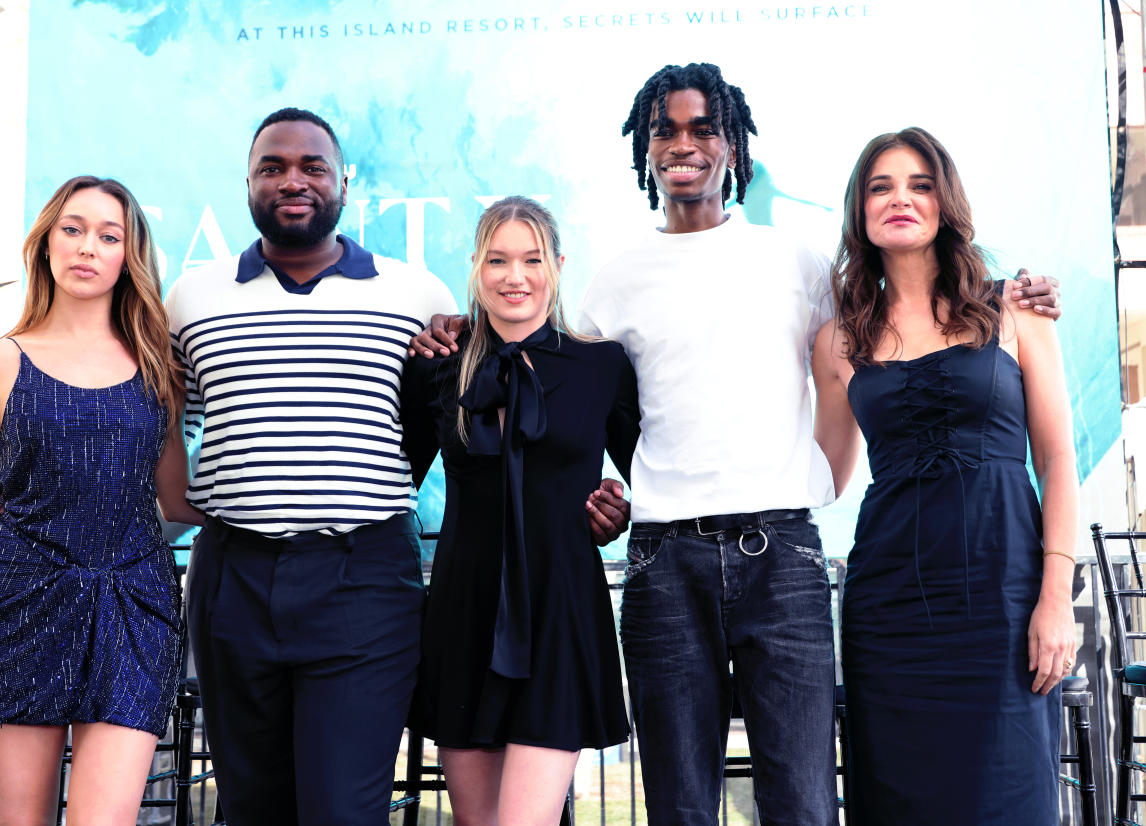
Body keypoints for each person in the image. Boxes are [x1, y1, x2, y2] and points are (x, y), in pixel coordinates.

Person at [410, 64, 1061, 826]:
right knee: (680, 807)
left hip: (781, 560)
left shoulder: (802, 265)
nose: (682, 145)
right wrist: (458, 331)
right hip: (663, 567)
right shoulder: (612, 284)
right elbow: (551, 381)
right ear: (645, 151)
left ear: (732, 145)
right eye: (665, 131)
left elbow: (897, 331)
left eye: (702, 128)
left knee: (803, 805)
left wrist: (1009, 296)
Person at [0, 108, 631, 824]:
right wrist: (31, 498)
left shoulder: (419, 300)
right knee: (250, 808)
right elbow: (138, 427)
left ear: (344, 184)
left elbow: (483, 441)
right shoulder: (193, 298)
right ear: (247, 183)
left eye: (313, 167)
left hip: (365, 579)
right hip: (235, 581)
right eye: (273, 167)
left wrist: (599, 502)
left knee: (343, 811)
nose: (293, 180)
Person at [810, 127, 1076, 824]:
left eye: (920, 184)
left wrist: (1056, 599)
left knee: (1009, 797)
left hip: (1005, 597)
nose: (901, 199)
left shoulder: (1014, 305)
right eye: (881, 186)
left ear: (944, 201)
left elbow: (1056, 458)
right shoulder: (838, 339)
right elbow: (822, 476)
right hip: (888, 610)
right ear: (859, 211)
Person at [0, 175, 202, 825]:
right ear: (45, 243)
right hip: (16, 606)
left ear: (128, 257)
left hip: (135, 607)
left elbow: (179, 500)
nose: (87, 247)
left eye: (109, 236)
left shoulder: (161, 369)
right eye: (72, 229)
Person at [401, 197, 639, 824]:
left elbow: (655, 474)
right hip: (463, 609)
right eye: (499, 260)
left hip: (558, 608)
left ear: (556, 265)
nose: (516, 276)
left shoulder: (600, 365)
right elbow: (387, 476)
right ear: (477, 268)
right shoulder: (437, 368)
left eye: (532, 259)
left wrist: (618, 509)